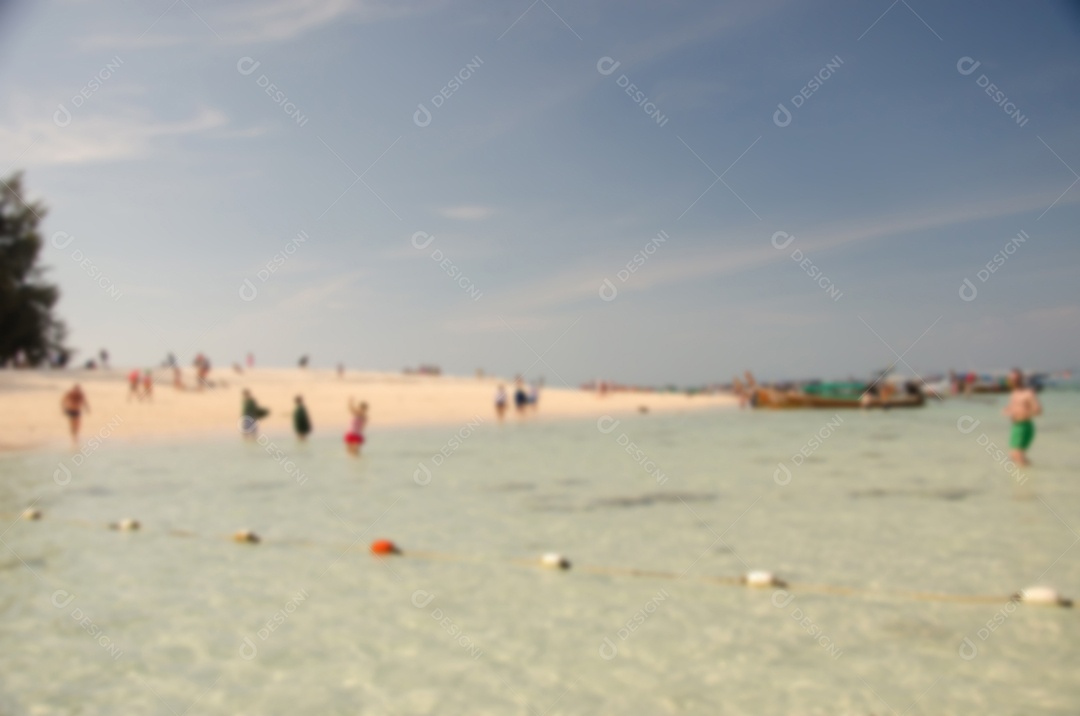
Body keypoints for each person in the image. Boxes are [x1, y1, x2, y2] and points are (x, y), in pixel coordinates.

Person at [1004, 369, 1042, 466]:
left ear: (1021, 379)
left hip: (1025, 426)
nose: (1013, 381)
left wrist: (1024, 412)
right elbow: (1014, 407)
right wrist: (1008, 410)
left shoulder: (1028, 393)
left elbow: (1038, 410)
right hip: (1016, 427)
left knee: (1017, 454)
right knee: (1014, 455)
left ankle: (1025, 478)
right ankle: (1030, 473)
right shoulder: (1014, 393)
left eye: (1015, 379)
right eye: (1011, 379)